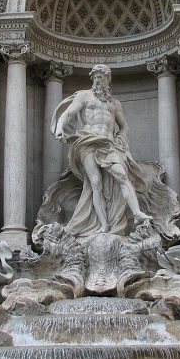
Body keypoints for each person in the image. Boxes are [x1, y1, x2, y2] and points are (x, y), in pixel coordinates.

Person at [52, 64, 152, 235]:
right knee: (95, 183)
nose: (100, 79)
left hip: (108, 144)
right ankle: (103, 225)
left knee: (122, 175)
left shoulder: (114, 103)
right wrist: (59, 127)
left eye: (103, 77)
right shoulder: (84, 96)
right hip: (87, 142)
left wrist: (121, 138)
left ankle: (137, 213)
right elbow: (68, 114)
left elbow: (124, 126)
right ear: (92, 79)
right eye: (97, 76)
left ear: (108, 80)